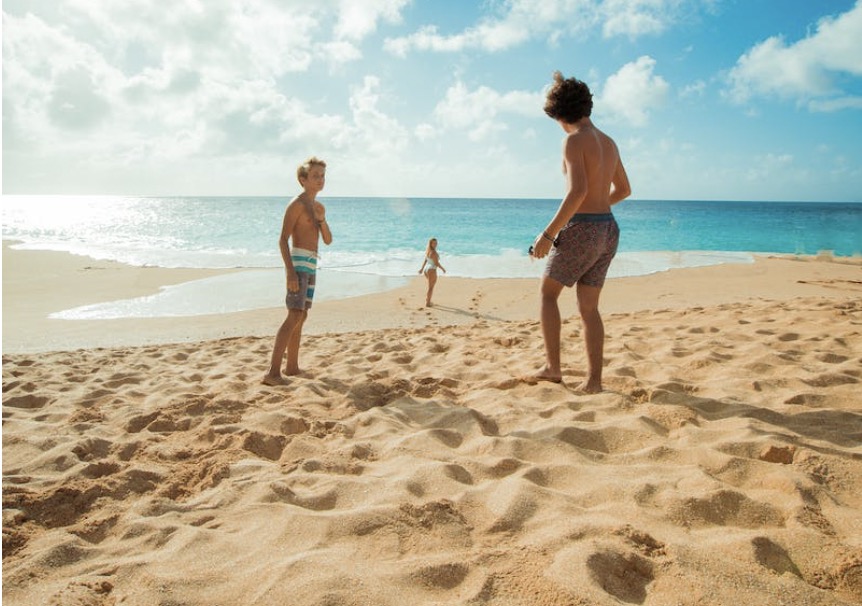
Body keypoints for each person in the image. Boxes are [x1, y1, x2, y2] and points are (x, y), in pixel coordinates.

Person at [527, 71, 632, 393]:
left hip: (584, 228)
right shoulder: (609, 141)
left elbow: (577, 191)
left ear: (559, 114)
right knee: (589, 308)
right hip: (608, 230)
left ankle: (553, 368)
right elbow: (624, 190)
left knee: (548, 294)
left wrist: (548, 235)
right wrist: (599, 210)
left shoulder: (573, 140)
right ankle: (594, 382)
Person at [263, 156, 333, 386]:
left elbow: (328, 240)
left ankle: (291, 367)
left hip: (311, 265)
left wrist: (322, 219)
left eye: (322, 176)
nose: (320, 180)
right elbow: (282, 240)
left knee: (301, 316)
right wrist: (290, 273)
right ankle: (272, 373)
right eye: (315, 176)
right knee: (294, 314)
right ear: (303, 180)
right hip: (299, 265)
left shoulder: (316, 207)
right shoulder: (297, 204)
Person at [418, 237, 446, 307]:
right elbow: (436, 263)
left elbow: (426, 260)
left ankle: (428, 300)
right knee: (431, 287)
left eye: (436, 243)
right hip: (432, 270)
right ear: (431, 244)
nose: (435, 244)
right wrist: (443, 269)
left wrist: (422, 269)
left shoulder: (428, 251)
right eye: (434, 243)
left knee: (430, 286)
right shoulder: (433, 252)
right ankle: (428, 303)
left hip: (426, 270)